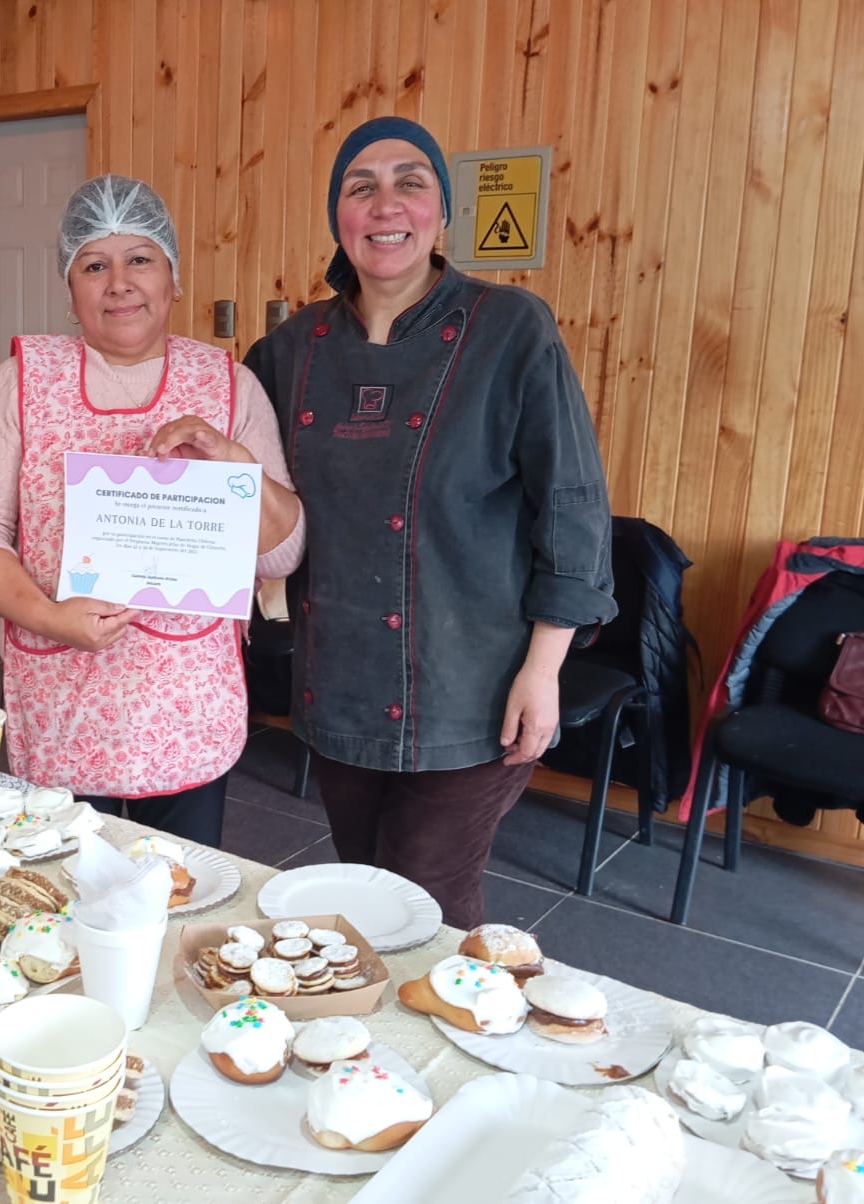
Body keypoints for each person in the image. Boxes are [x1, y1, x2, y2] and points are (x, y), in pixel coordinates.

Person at [244, 117, 615, 927]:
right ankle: (361, 1043)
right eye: (360, 186)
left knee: (431, 904)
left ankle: (445, 1041)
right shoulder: (290, 348)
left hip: (472, 687)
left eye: (411, 182)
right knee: (363, 890)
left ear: (442, 211)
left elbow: (572, 508)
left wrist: (544, 669)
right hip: (338, 677)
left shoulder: (511, 328)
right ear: (338, 217)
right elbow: (232, 483)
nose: (387, 204)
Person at [0, 174, 304, 846]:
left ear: (173, 279)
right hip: (61, 696)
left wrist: (232, 463)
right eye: (94, 265)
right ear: (70, 289)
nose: (119, 283)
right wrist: (49, 616)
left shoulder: (229, 386)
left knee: (178, 890)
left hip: (186, 706)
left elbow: (281, 553)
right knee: (63, 894)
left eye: (140, 259)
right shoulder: (20, 383)